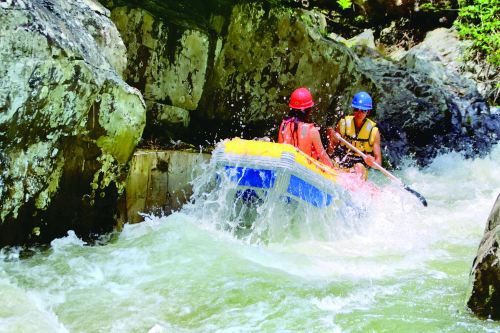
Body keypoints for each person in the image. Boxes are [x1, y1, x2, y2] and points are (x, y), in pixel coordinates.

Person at [326, 91, 382, 180]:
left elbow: (378, 163)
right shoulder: (343, 124)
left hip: (359, 166)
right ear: (353, 109)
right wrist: (331, 139)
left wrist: (372, 162)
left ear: (368, 112)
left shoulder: (374, 132)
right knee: (334, 161)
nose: (359, 113)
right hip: (341, 160)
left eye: (363, 110)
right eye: (356, 109)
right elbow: (330, 151)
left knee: (359, 167)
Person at [278, 87, 333, 168]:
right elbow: (323, 157)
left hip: (284, 166)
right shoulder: (311, 131)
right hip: (304, 172)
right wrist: (335, 170)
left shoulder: (284, 124)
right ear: (309, 110)